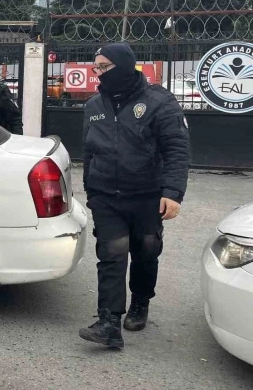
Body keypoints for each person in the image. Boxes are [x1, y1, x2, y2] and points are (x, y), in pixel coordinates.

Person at [79, 43, 190, 349]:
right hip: (106, 195)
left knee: (146, 251)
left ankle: (140, 301)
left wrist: (172, 192)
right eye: (96, 67)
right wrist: (91, 188)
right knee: (111, 255)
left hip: (147, 195)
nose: (98, 73)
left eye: (104, 67)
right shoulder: (93, 105)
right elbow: (88, 151)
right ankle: (108, 323)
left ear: (125, 66)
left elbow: (177, 149)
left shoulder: (159, 101)